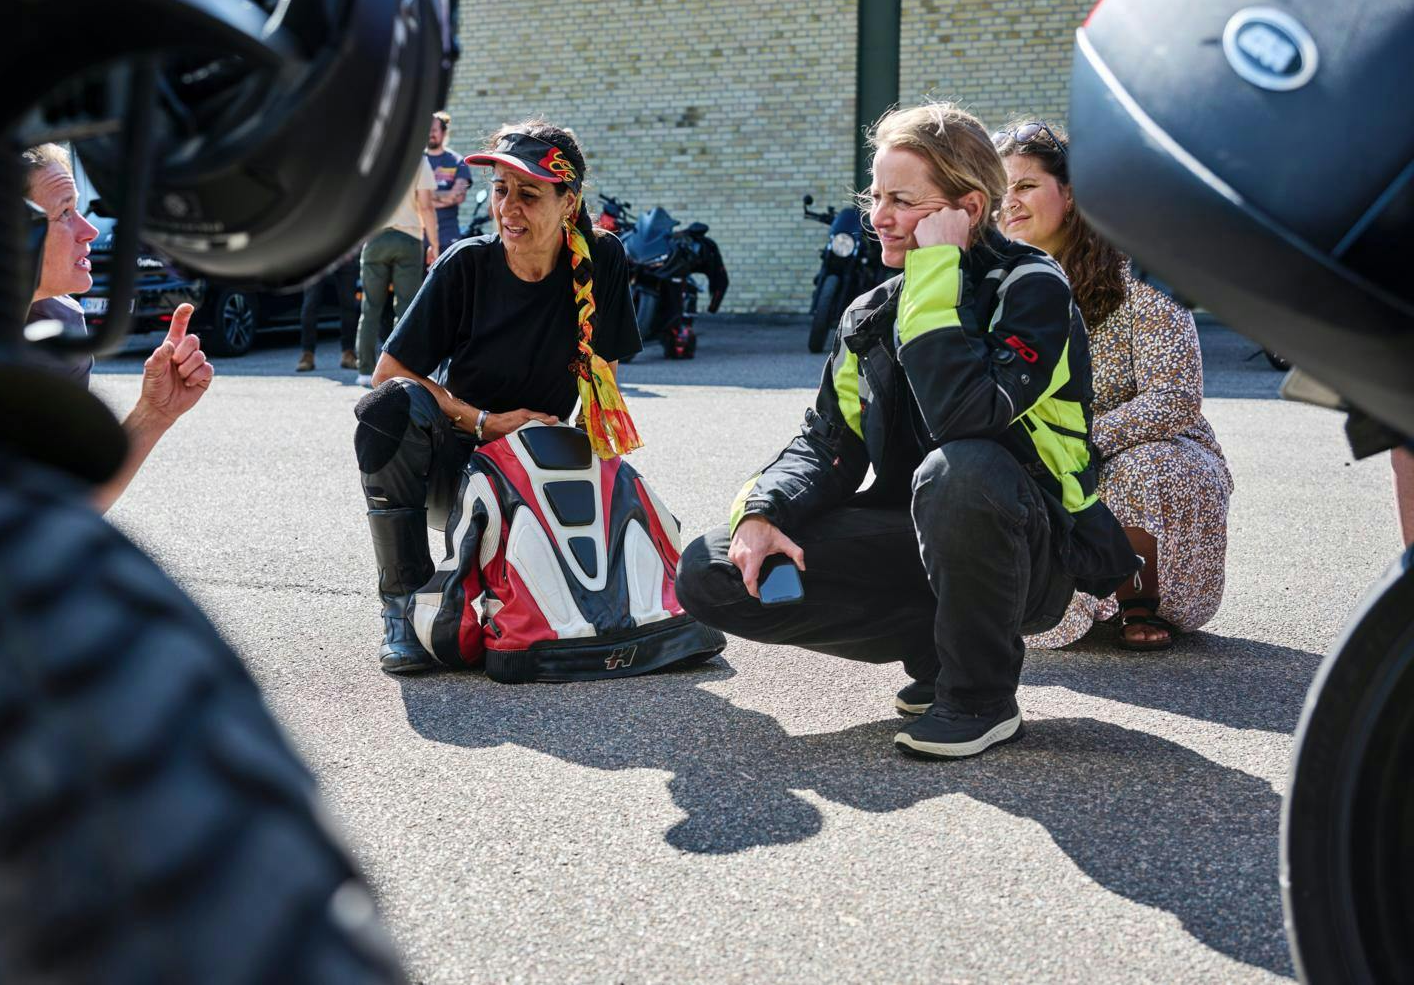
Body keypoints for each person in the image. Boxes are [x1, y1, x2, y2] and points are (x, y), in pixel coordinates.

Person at [674, 103, 1138, 760]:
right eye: (875, 195)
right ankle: (937, 649)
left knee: (961, 469)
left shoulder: (1032, 288)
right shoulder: (870, 315)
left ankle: (980, 696)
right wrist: (762, 511)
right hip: (923, 538)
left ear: (967, 209)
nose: (878, 217)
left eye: (901, 199)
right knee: (712, 569)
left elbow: (964, 415)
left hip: (1030, 552)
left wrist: (933, 273)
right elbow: (825, 444)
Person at [352, 119, 643, 673]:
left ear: (568, 200)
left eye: (529, 194)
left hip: (539, 474)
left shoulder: (602, 259)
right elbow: (387, 372)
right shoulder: (466, 264)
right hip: (458, 469)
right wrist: (486, 422)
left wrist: (594, 481)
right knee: (385, 410)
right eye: (501, 190)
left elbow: (603, 373)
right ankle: (402, 605)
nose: (507, 207)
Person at [995, 121, 1235, 652]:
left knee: (1144, 466)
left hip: (1145, 446)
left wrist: (1079, 442)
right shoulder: (993, 284)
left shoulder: (1142, 279)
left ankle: (1140, 599)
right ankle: (1031, 597)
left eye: (1026, 186)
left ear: (1072, 193)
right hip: (1040, 453)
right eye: (999, 192)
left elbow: (1174, 396)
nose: (1008, 203)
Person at [22, 143, 214, 513]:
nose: (90, 230)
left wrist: (154, 413)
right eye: (65, 212)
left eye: (78, 208)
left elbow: (70, 508)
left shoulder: (63, 327)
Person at [354, 155, 439, 388]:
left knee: (370, 306)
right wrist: (434, 244)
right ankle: (403, 369)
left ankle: (364, 370)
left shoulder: (373, 160)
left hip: (375, 239)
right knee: (406, 307)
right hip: (408, 239)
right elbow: (426, 206)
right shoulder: (419, 161)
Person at [297, 247, 360, 372]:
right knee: (310, 304)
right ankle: (307, 354)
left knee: (349, 304)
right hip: (315, 255)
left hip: (344, 254)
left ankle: (348, 353)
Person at [425, 111, 472, 254]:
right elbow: (410, 197)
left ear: (444, 132)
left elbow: (458, 195)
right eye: (427, 130)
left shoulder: (458, 161)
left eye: (433, 130)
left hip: (448, 235)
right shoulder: (416, 162)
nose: (430, 134)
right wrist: (445, 197)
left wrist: (425, 198)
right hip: (419, 237)